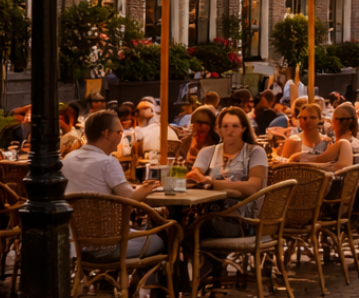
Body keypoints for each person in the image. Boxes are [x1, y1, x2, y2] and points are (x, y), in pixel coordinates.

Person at [61, 110, 166, 258]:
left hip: (75, 244)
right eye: (119, 132)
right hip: (107, 245)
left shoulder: (68, 159)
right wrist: (149, 187)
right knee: (161, 238)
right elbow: (131, 197)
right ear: (106, 133)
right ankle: (143, 280)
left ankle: (117, 280)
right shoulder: (107, 162)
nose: (122, 136)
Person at [187, 107, 269, 236]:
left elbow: (253, 187)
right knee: (175, 225)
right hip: (207, 214)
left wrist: (210, 183)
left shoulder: (255, 152)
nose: (229, 131)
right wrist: (235, 188)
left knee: (191, 229)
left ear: (244, 128)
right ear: (218, 129)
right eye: (225, 126)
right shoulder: (207, 152)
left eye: (235, 126)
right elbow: (193, 177)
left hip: (242, 221)